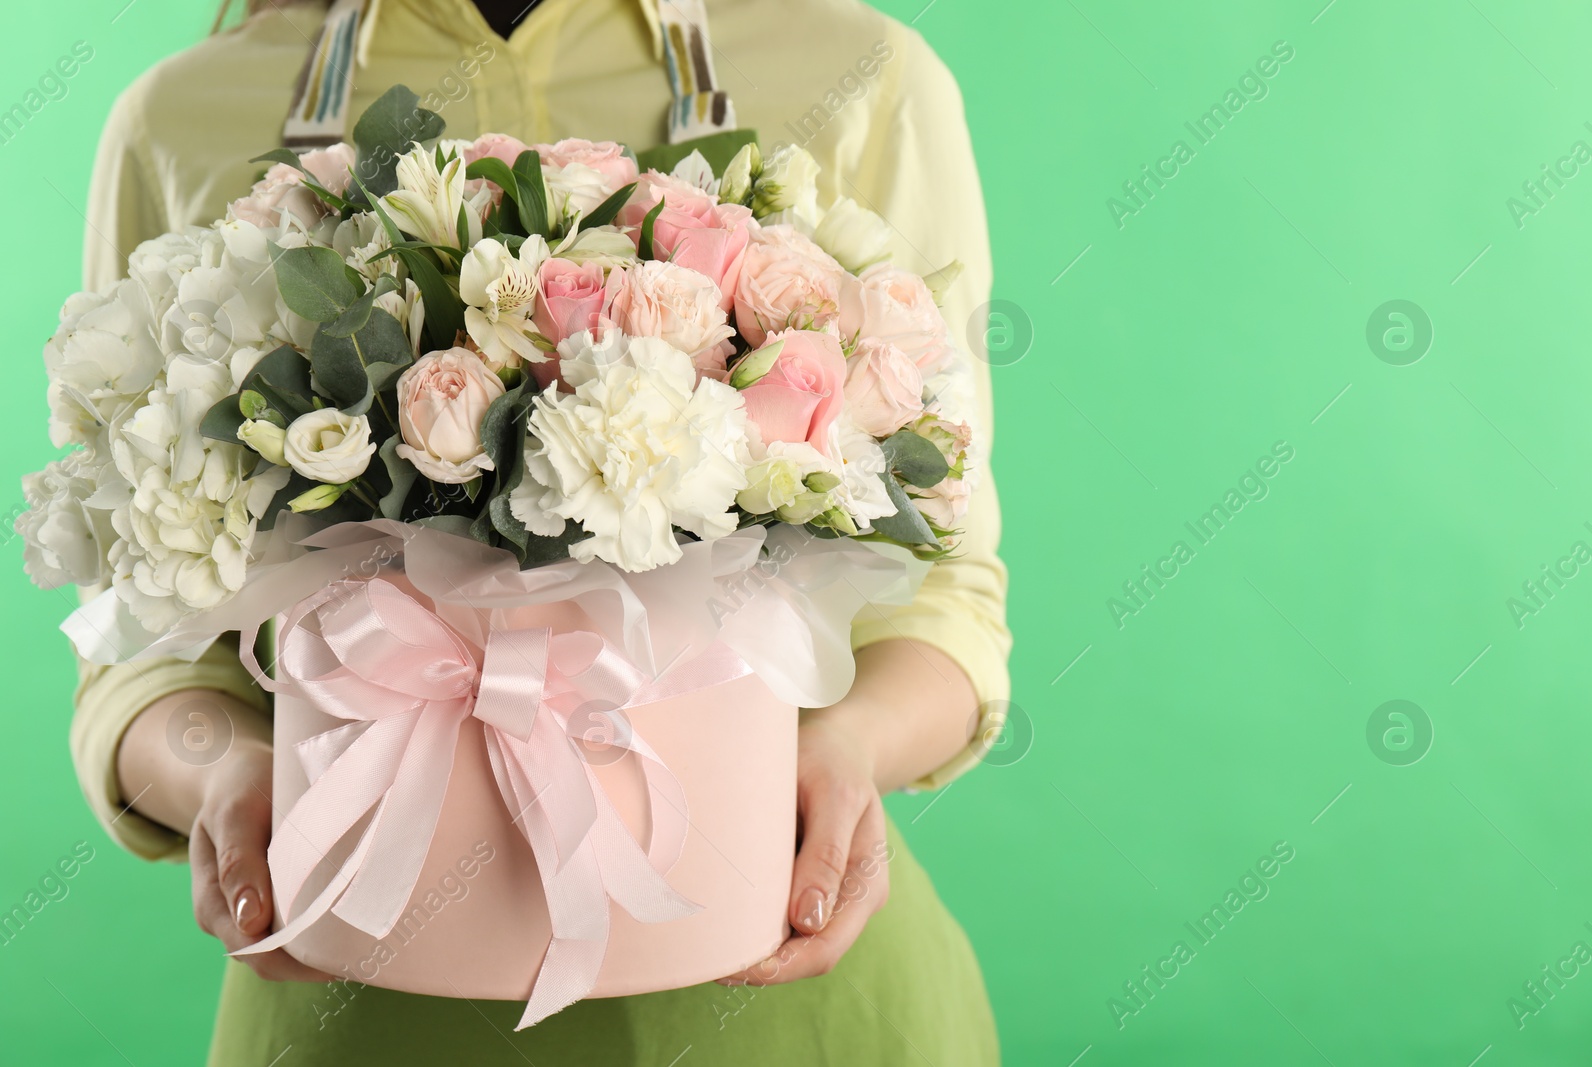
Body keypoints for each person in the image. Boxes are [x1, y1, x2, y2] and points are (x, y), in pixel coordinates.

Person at [70, 0, 1011, 1061]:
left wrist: (848, 748)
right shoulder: (182, 116)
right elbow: (136, 640)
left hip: (791, 1003)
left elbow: (946, 590)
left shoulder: (865, 75)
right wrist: (227, 772)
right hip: (361, 1003)